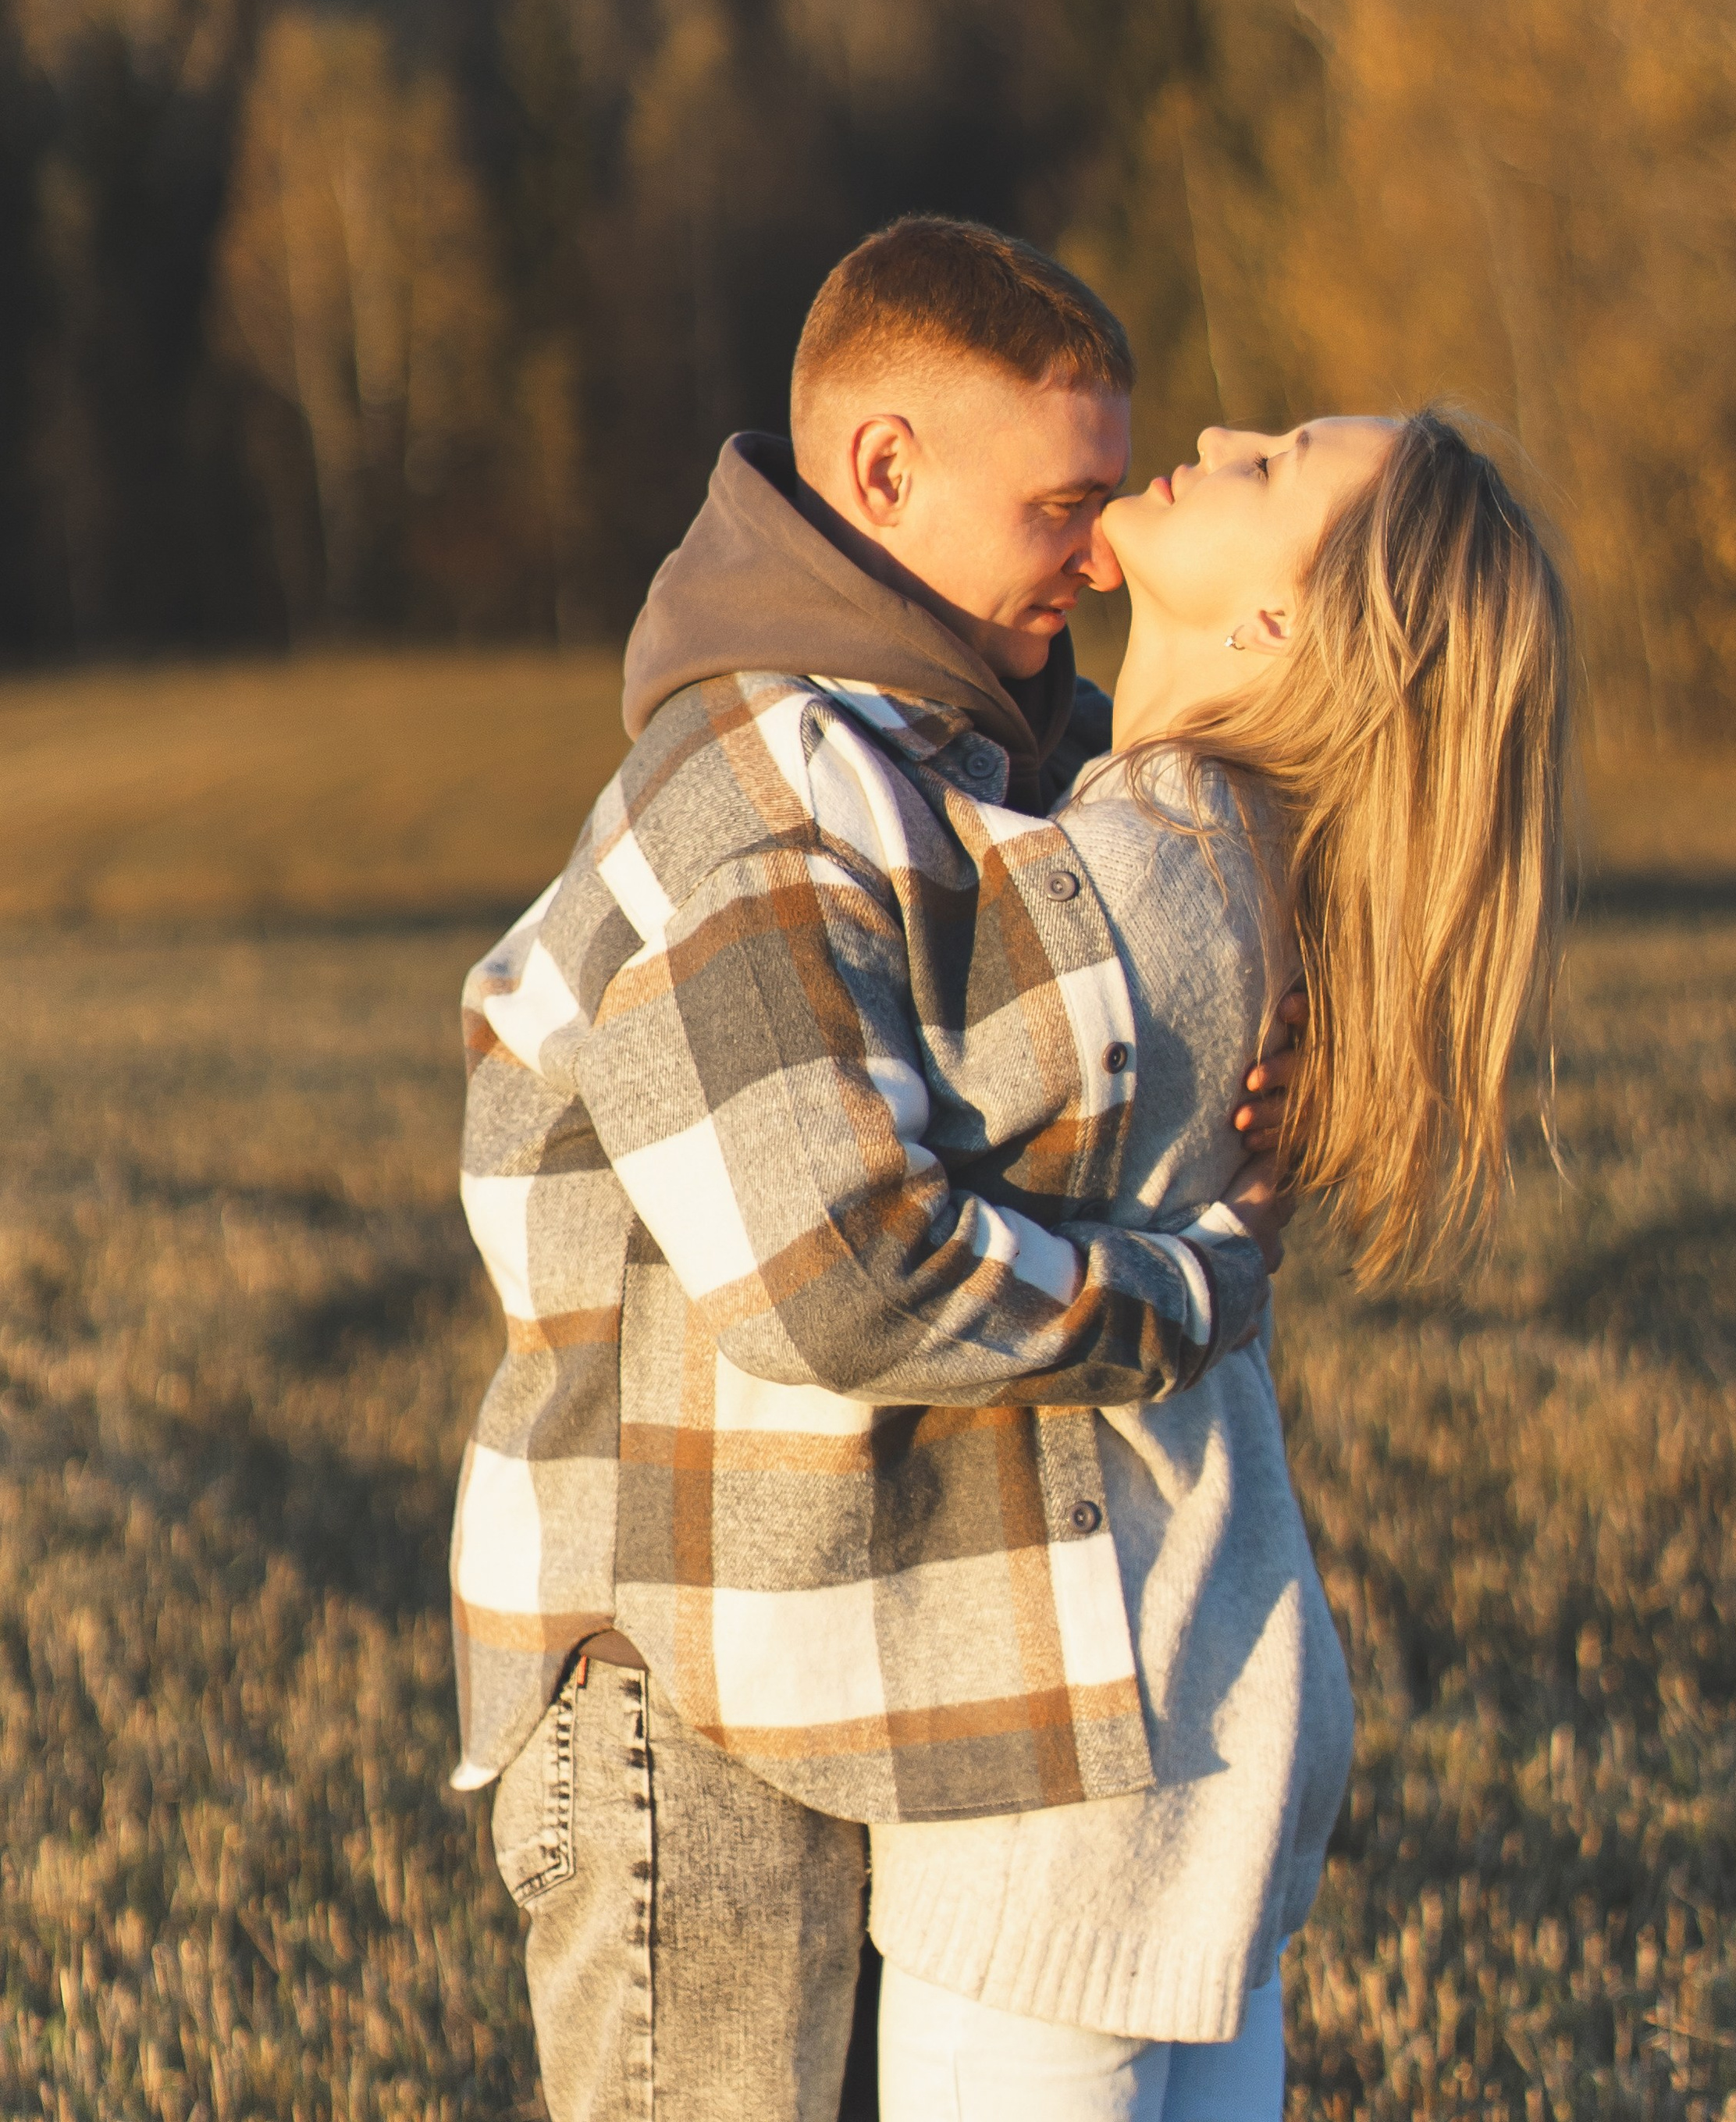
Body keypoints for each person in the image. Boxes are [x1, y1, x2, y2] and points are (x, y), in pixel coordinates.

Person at [450, 220, 1304, 2122]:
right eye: (1061, 504)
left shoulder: (968, 768)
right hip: (680, 1690)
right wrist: (1191, 1283)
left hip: (837, 1663)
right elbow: (848, 1268)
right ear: (885, 472)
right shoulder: (753, 776)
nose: (1097, 553)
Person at [868, 406, 1574, 2119]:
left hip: (1073, 1778)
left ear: (1280, 629)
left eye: (1268, 468)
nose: (1212, 432)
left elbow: (835, 1171)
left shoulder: (1135, 884)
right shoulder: (1223, 861)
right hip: (1188, 1735)